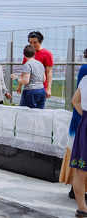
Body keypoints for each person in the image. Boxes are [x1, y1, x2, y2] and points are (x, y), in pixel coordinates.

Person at [65, 48, 87, 200]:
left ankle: (76, 192)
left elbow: (75, 99)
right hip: (81, 117)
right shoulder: (85, 70)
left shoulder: (84, 70)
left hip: (81, 116)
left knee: (79, 158)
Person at [69, 77, 87, 217]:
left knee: (81, 170)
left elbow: (75, 100)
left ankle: (82, 208)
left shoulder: (85, 79)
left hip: (85, 124)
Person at [24, 31, 53, 98]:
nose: (32, 45)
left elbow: (49, 72)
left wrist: (48, 88)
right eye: (30, 42)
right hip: (28, 87)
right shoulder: (27, 53)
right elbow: (25, 71)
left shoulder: (47, 54)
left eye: (35, 42)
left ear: (40, 42)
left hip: (41, 87)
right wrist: (20, 85)